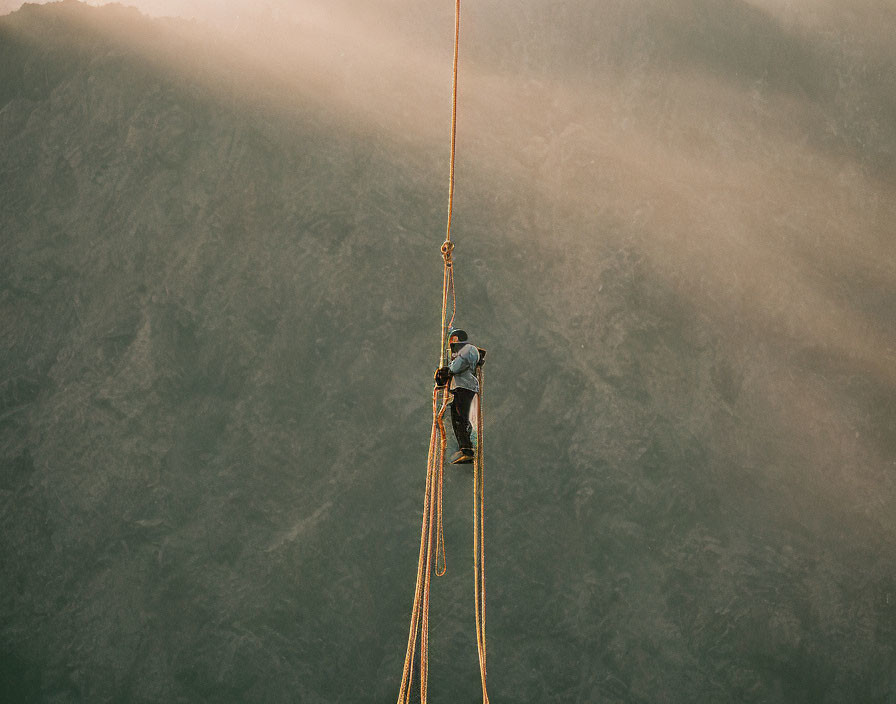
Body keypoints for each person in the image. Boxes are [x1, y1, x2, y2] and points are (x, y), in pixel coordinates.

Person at [435, 327, 480, 464]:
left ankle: (467, 448)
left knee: (460, 417)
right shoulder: (462, 352)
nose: (451, 343)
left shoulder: (468, 349)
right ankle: (464, 447)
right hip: (460, 388)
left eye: (452, 339)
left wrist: (448, 370)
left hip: (465, 388)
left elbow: (457, 366)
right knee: (457, 416)